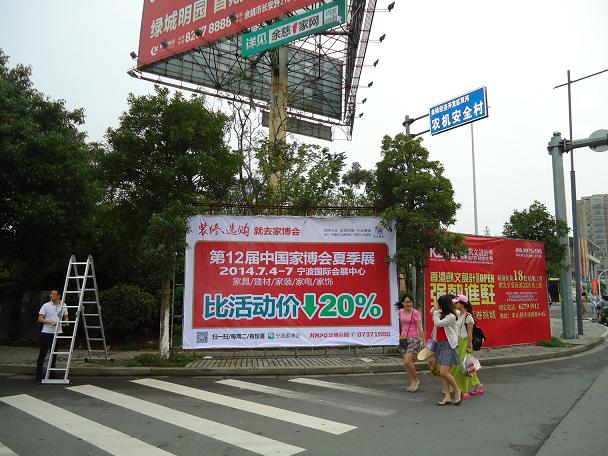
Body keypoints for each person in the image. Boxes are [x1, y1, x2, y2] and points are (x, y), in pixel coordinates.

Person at [450, 295, 484, 399]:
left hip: (465, 343)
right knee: (467, 366)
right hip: (458, 342)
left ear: (462, 304)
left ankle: (464, 391)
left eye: (457, 303)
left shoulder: (468, 317)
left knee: (462, 367)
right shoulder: (459, 315)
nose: (455, 304)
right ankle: (478, 385)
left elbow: (470, 334)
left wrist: (469, 346)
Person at [431, 293, 462, 406]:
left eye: (439, 304)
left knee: (444, 372)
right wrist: (436, 309)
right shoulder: (441, 313)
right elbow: (431, 311)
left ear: (443, 305)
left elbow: (438, 323)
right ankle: (447, 396)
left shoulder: (451, 316)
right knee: (442, 373)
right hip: (440, 343)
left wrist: (435, 311)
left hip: (448, 345)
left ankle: (457, 390)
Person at [36, 289, 68, 383]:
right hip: (47, 333)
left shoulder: (64, 305)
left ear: (59, 296)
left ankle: (51, 372)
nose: (51, 295)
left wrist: (66, 321)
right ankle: (38, 375)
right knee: (43, 353)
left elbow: (66, 316)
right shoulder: (46, 305)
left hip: (58, 332)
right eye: (51, 294)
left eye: (53, 294)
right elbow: (40, 319)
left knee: (54, 353)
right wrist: (49, 321)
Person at [395, 293, 424, 392]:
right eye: (406, 302)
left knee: (407, 361)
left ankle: (416, 380)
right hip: (403, 338)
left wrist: (424, 341)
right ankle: (411, 382)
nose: (408, 304)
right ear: (403, 303)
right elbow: (402, 325)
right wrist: (402, 336)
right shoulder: (400, 311)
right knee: (407, 363)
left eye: (410, 302)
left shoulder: (416, 313)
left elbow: (420, 328)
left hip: (414, 338)